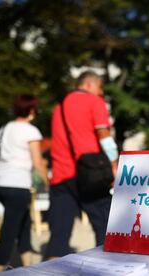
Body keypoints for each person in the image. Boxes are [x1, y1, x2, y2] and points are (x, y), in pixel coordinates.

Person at [46, 70, 118, 259]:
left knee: (58, 239)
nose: (101, 92)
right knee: (106, 230)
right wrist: (115, 164)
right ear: (88, 84)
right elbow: (103, 134)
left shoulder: (59, 107)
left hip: (61, 177)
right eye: (100, 87)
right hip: (90, 176)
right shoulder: (94, 102)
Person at [0, 95, 48, 272]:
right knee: (9, 232)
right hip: (17, 185)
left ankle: (28, 267)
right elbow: (37, 162)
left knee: (23, 224)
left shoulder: (5, 128)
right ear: (31, 110)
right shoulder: (31, 131)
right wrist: (49, 183)